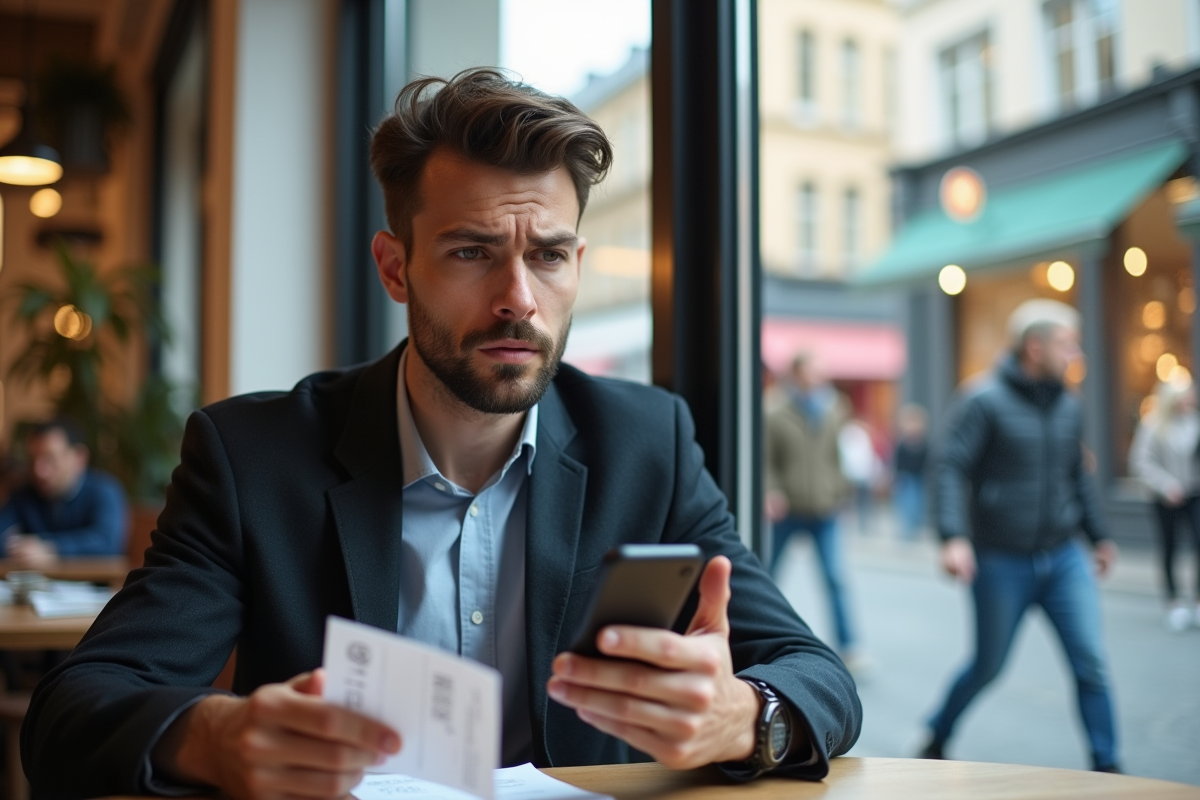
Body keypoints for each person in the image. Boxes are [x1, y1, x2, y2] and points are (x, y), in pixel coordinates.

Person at [23, 69, 861, 799]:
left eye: (550, 256)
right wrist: (220, 737)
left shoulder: (649, 443)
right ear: (395, 267)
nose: (519, 298)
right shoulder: (253, 458)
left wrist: (749, 718)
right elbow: (72, 710)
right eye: (472, 251)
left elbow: (818, 676)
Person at [919, 299, 1120, 773]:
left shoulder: (1070, 407)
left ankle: (1109, 765)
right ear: (1035, 346)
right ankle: (937, 733)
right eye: (1066, 343)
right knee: (987, 665)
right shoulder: (982, 400)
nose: (1075, 352)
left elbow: (1076, 476)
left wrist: (1100, 536)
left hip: (1063, 558)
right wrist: (953, 536)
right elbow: (950, 468)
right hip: (1000, 560)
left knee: (1090, 661)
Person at [764, 354, 859, 661]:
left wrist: (842, 490)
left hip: (825, 508)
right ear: (796, 373)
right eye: (811, 372)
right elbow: (767, 460)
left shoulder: (834, 407)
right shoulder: (774, 409)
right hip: (788, 509)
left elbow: (837, 455)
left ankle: (849, 646)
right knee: (766, 575)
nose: (817, 378)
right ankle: (757, 637)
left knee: (835, 578)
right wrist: (771, 492)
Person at [0, 418, 127, 568]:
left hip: (92, 586)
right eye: (33, 459)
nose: (38, 471)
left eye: (50, 459)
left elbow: (107, 543)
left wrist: (51, 547)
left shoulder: (105, 491)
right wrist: (19, 548)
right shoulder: (23, 494)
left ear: (79, 457)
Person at [1129, 378, 1200, 632]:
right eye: (1187, 395)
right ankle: (1173, 601)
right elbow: (1140, 462)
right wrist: (1166, 485)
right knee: (1169, 547)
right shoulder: (1154, 425)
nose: (1191, 399)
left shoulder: (1194, 422)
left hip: (1193, 493)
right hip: (1165, 498)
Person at [892, 404, 929, 541]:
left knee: (917, 505)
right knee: (906, 504)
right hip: (906, 478)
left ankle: (913, 529)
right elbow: (897, 462)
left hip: (918, 478)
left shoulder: (923, 444)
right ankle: (906, 531)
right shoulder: (903, 444)